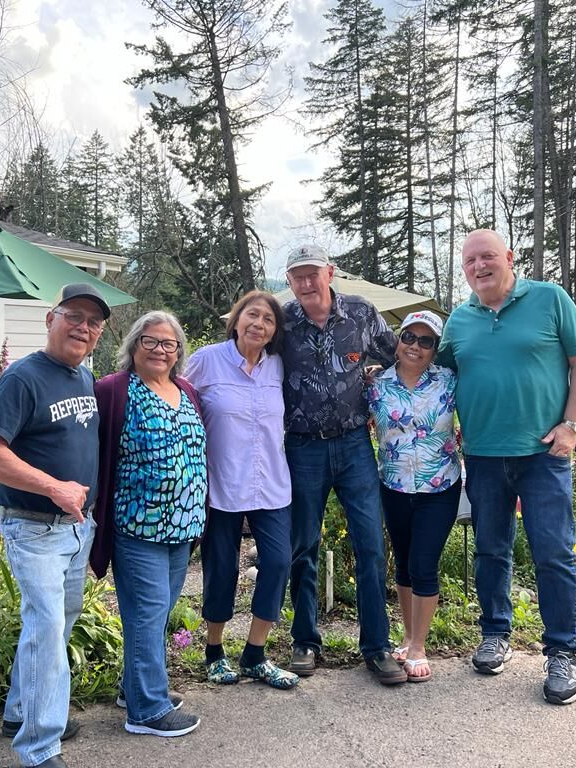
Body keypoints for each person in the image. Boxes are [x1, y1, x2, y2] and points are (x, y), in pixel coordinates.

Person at [435, 229, 576, 705]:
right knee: (491, 550)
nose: (479, 266)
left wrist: (572, 425)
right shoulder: (459, 320)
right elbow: (436, 375)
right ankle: (494, 634)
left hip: (543, 454)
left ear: (508, 257)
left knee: (554, 552)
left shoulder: (549, 299)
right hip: (483, 455)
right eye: (470, 261)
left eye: (487, 256)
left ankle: (562, 651)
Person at [0, 283, 110, 768]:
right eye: (74, 316)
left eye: (93, 322)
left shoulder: (83, 377)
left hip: (76, 529)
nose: (83, 327)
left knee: (55, 625)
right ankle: (39, 747)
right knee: (46, 628)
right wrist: (54, 487)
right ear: (51, 319)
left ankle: (22, 712)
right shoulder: (23, 378)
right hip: (34, 527)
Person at [281, 244, 406, 685]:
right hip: (302, 447)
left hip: (354, 445)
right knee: (303, 545)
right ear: (289, 281)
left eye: (313, 273)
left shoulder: (361, 313)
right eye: (297, 276)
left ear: (330, 273)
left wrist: (377, 382)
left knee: (370, 544)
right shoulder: (281, 322)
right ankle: (304, 640)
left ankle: (377, 646)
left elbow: (397, 357)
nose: (306, 282)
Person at [89, 311, 207, 737]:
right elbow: (91, 450)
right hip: (138, 526)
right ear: (134, 345)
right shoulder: (114, 390)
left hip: (183, 527)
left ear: (179, 351)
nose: (160, 350)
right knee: (147, 613)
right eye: (151, 341)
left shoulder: (186, 390)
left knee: (157, 613)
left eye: (168, 343)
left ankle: (135, 689)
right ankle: (147, 711)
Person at [184, 291, 299, 690]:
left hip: (271, 483)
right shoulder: (206, 360)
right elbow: (177, 397)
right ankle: (214, 651)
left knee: (279, 562)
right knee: (221, 568)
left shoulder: (278, 366)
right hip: (221, 483)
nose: (259, 324)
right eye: (253, 315)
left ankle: (255, 654)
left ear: (274, 331)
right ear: (236, 320)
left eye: (268, 319)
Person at [367, 309, 462, 683]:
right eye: (409, 337)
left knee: (424, 563)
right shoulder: (376, 383)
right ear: (397, 340)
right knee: (404, 564)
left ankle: (419, 647)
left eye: (426, 341)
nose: (415, 346)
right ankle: (407, 638)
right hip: (393, 485)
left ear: (435, 348)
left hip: (439, 486)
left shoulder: (449, 380)